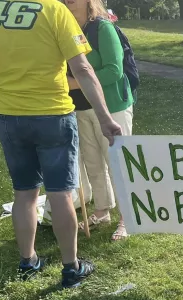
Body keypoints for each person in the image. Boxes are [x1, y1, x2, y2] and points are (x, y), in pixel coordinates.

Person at [0, 0, 122, 288]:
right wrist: (105, 118)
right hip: (53, 114)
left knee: (24, 193)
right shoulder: (53, 9)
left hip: (9, 116)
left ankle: (28, 261)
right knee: (60, 193)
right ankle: (71, 267)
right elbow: (82, 68)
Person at [62, 0, 134, 242]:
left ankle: (127, 217)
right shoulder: (65, 28)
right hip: (80, 107)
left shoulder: (103, 28)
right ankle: (102, 211)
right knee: (92, 162)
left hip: (112, 107)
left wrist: (73, 83)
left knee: (117, 162)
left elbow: (114, 70)